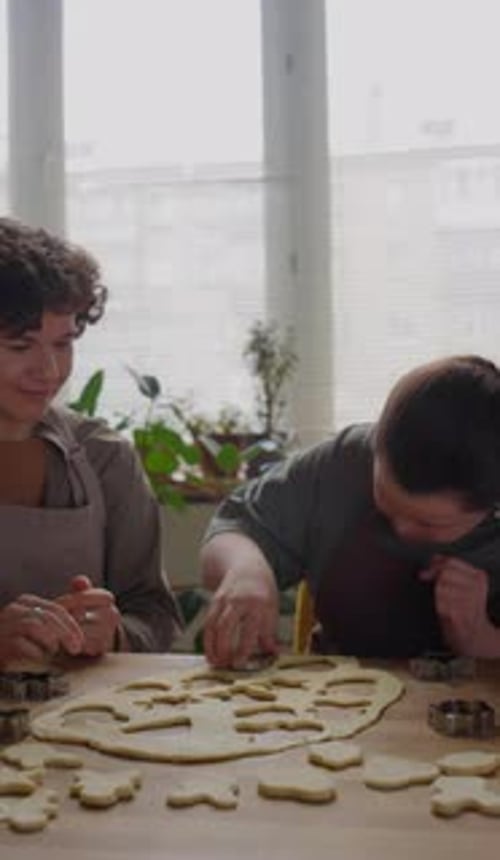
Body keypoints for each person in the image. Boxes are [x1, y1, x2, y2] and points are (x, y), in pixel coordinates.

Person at [201, 355, 500, 668]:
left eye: (427, 523)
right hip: (338, 694)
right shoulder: (343, 463)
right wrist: (246, 571)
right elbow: (234, 525)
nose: (400, 529)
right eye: (386, 500)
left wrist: (479, 638)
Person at [0, 217, 180, 670]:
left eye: (62, 344)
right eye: (21, 347)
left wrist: (116, 633)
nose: (49, 370)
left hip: (80, 732)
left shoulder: (104, 458)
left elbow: (155, 615)